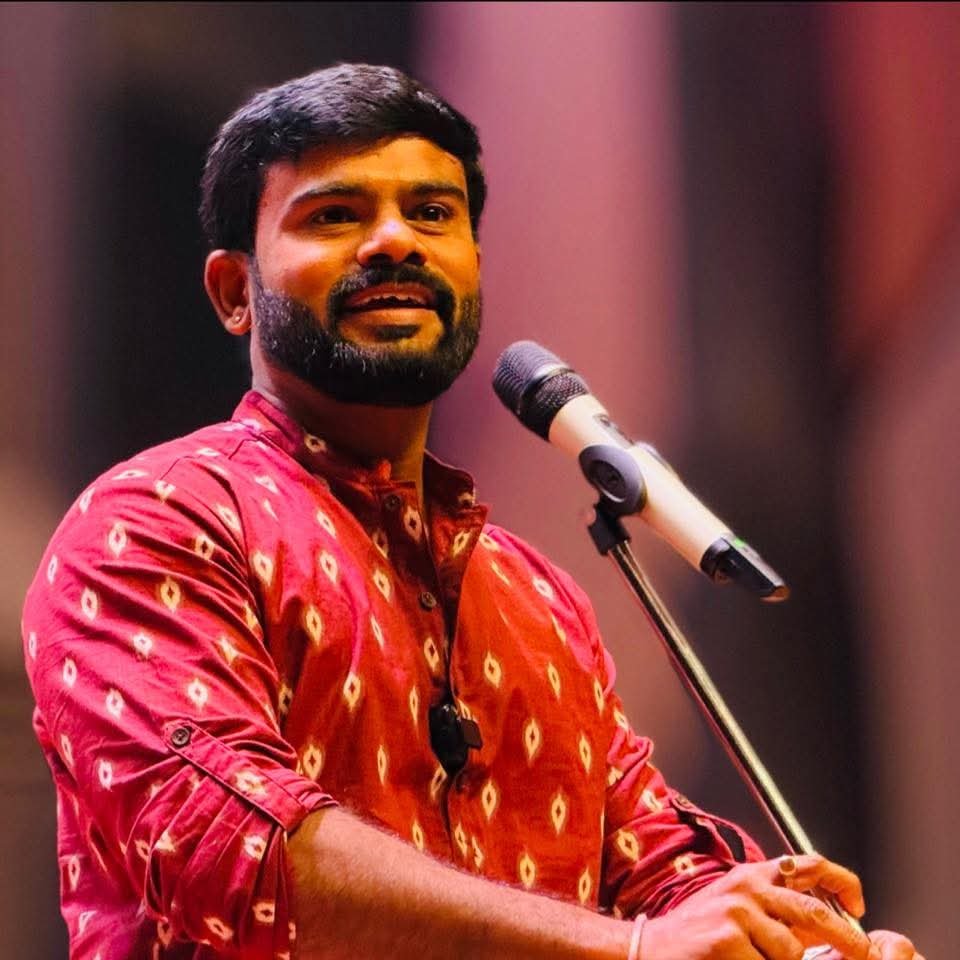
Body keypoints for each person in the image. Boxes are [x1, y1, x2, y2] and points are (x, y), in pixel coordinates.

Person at [22, 63, 920, 960]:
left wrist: (794, 941)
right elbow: (237, 855)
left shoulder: (540, 603)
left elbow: (663, 881)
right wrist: (637, 950)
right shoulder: (156, 526)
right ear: (232, 292)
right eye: (335, 215)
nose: (395, 241)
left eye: (432, 213)